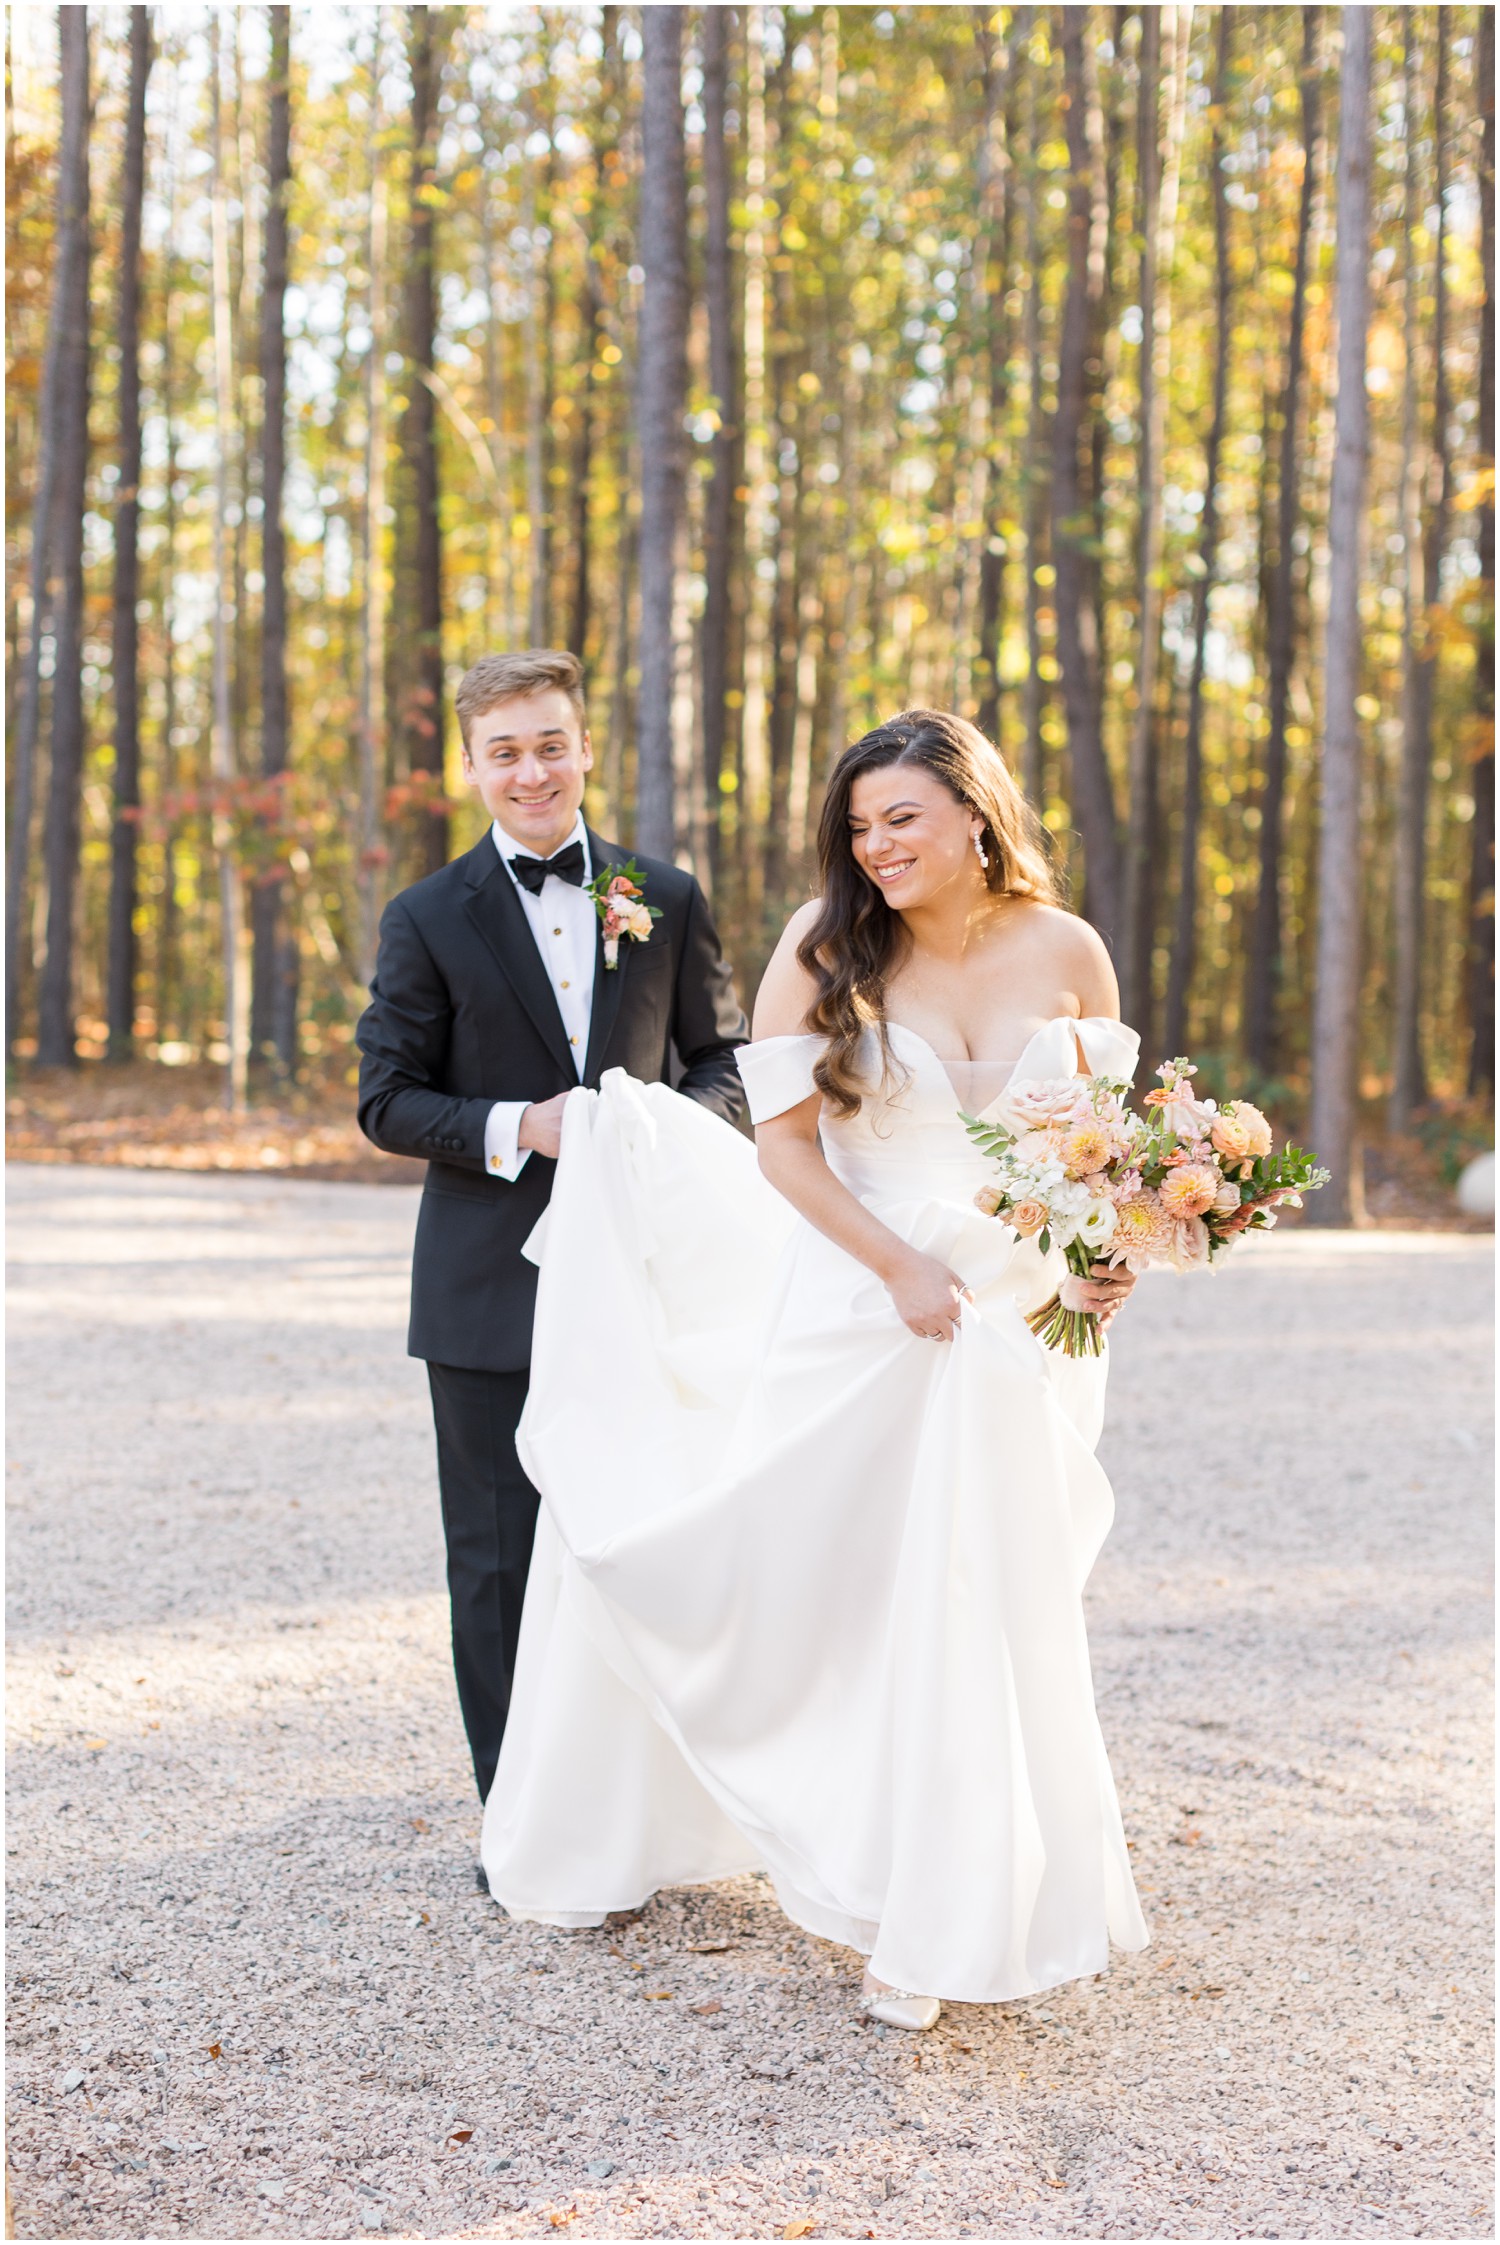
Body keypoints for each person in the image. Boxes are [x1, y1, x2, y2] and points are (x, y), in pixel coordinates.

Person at [479, 708, 1149, 2031]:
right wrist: (899, 1265)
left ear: (975, 810)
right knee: (850, 1605)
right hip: (864, 1305)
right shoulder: (822, 946)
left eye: (903, 818)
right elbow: (786, 1151)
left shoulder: (1070, 949)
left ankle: (953, 1902)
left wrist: (1102, 1260)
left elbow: (1096, 1153)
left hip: (1019, 1319)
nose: (877, 845)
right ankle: (884, 1881)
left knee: (983, 1598)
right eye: (859, 825)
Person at [355, 649, 747, 1813]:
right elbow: (386, 1099)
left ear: (584, 747)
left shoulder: (663, 895)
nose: (533, 771)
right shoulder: (426, 916)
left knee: (638, 1542)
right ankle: (520, 1814)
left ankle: (643, 1804)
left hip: (642, 1278)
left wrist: (659, 1131)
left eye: (551, 744)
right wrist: (520, 1125)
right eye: (506, 751)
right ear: (472, 766)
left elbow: (721, 1058)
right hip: (487, 1288)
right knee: (496, 1558)